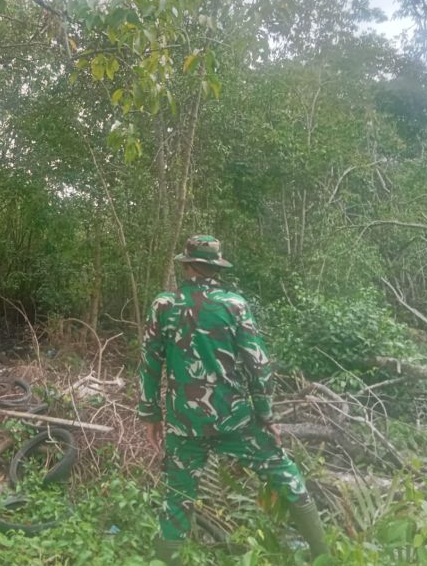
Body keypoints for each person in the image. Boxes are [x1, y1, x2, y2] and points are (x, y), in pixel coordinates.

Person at [139, 235, 327, 564]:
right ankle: (325, 555)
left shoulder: (163, 305)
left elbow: (150, 364)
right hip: (235, 419)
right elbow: (259, 365)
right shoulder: (234, 305)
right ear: (216, 268)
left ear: (186, 266)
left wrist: (151, 416)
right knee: (286, 475)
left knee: (177, 502)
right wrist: (266, 417)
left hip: (184, 423)